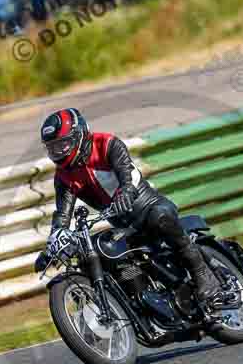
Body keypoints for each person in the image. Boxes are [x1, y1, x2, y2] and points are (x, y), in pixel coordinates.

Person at [34, 108, 222, 307]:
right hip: (123, 225)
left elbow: (128, 173)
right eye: (52, 148)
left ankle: (202, 273)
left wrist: (126, 192)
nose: (57, 152)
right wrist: (51, 247)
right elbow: (62, 214)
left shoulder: (106, 144)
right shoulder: (63, 176)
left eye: (62, 145)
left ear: (79, 135)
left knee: (159, 218)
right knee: (105, 251)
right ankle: (141, 301)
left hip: (149, 206)